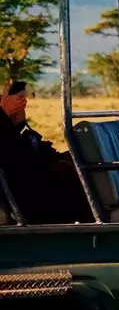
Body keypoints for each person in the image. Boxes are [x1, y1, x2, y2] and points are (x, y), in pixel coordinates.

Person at [0, 82, 93, 224]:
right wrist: (5, 117)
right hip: (36, 198)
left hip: (41, 182)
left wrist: (16, 122)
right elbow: (16, 159)